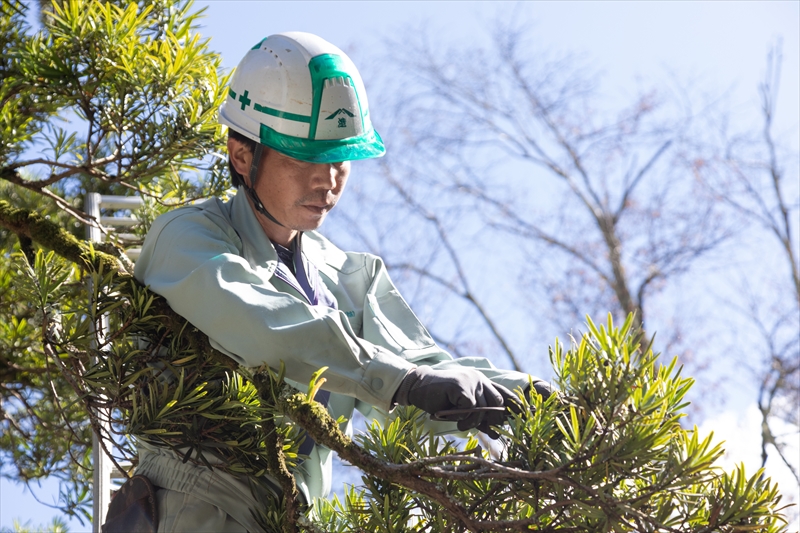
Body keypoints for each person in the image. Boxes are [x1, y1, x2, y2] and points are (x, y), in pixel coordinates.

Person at [127, 31, 550, 532]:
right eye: (305, 159)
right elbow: (266, 327)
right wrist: (403, 382)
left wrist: (525, 399)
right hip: (191, 507)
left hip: (290, 517)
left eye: (339, 160)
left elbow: (421, 371)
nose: (327, 181)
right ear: (242, 156)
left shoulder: (348, 276)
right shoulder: (190, 237)